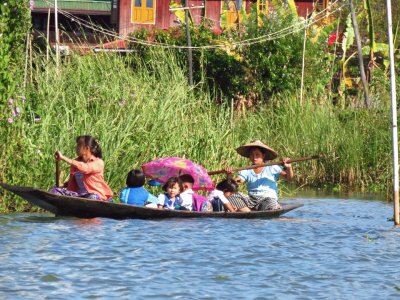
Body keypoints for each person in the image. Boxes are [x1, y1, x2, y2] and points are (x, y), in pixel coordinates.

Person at [226, 140, 294, 211]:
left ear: (263, 156)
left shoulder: (272, 167)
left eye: (257, 155)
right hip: (251, 200)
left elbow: (289, 178)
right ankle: (248, 212)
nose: (254, 158)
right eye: (252, 155)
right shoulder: (246, 170)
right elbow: (235, 183)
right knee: (231, 196)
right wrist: (229, 175)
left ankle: (256, 210)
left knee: (271, 203)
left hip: (267, 199)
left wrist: (289, 168)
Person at [51, 135, 113, 201]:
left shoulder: (98, 162)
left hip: (94, 195)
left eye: (78, 145)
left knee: (92, 197)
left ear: (87, 148)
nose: (76, 148)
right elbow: (74, 181)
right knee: (54, 191)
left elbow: (85, 168)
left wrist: (63, 158)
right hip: (78, 195)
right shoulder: (76, 162)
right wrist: (63, 185)